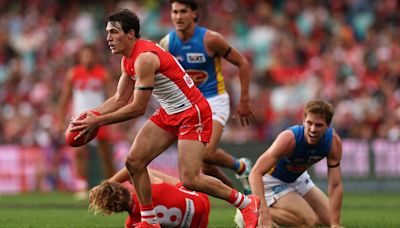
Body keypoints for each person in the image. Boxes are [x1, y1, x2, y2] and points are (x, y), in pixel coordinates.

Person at [70, 9, 260, 228]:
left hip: (192, 113)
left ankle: (246, 203)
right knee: (134, 162)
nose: (108, 38)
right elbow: (120, 99)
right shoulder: (128, 60)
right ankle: (150, 222)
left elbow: (137, 108)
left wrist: (98, 121)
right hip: (170, 112)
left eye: (113, 32)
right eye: (107, 33)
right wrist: (91, 115)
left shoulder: (145, 59)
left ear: (131, 34)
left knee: (190, 179)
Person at [160, 0, 254, 194]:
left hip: (214, 100)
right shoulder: (167, 43)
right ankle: (242, 201)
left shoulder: (210, 39)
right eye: (174, 12)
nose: (178, 16)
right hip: (188, 105)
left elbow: (242, 62)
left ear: (194, 14)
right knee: (205, 166)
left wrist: (244, 100)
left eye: (183, 11)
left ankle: (241, 167)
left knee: (207, 153)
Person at [248, 100, 343, 228]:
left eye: (319, 125)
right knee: (310, 222)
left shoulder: (333, 142)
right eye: (309, 123)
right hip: (272, 181)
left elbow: (335, 185)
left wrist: (335, 224)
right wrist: (263, 211)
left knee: (329, 220)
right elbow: (255, 172)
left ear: (328, 125)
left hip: (299, 178)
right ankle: (250, 209)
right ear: (304, 120)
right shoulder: (289, 139)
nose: (313, 129)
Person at [57, 44, 116, 199]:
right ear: (80, 57)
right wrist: (60, 118)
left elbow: (113, 95)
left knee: (105, 154)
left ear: (95, 56)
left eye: (90, 55)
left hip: (98, 117)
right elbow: (65, 97)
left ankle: (112, 184)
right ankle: (81, 186)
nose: (87, 58)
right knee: (78, 153)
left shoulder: (103, 73)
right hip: (79, 119)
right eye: (84, 55)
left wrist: (114, 119)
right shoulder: (74, 73)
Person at [89, 168, 210, 228]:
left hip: (198, 226)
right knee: (141, 171)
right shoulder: (150, 188)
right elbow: (132, 167)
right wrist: (104, 185)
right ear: (123, 189)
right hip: (201, 202)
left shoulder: (131, 224)